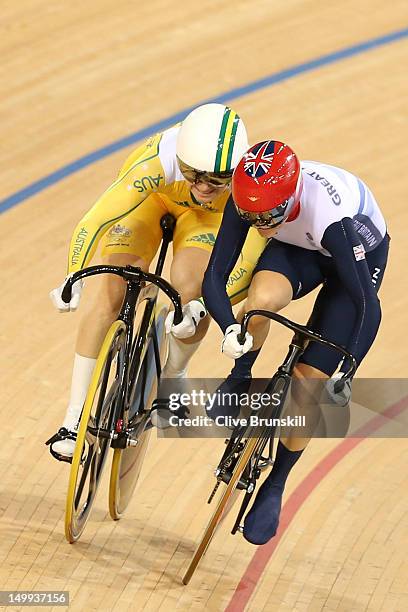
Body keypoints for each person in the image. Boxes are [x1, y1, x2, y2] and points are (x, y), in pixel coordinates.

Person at [47, 103, 265, 459]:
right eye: (193, 174)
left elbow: (244, 263)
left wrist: (202, 305)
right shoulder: (155, 162)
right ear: (180, 158)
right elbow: (96, 219)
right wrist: (73, 273)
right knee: (109, 288)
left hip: (205, 225)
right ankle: (73, 419)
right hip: (151, 202)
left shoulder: (247, 184)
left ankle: (173, 375)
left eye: (216, 179)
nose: (203, 186)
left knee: (191, 287)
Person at [200, 140, 389, 544]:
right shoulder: (251, 199)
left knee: (309, 383)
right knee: (261, 302)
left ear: (290, 196)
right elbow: (215, 275)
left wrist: (348, 369)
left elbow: (367, 308)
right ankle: (239, 378)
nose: (260, 223)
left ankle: (276, 482)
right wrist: (229, 331)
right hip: (300, 246)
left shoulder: (330, 217)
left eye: (268, 216)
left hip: (355, 259)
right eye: (253, 217)